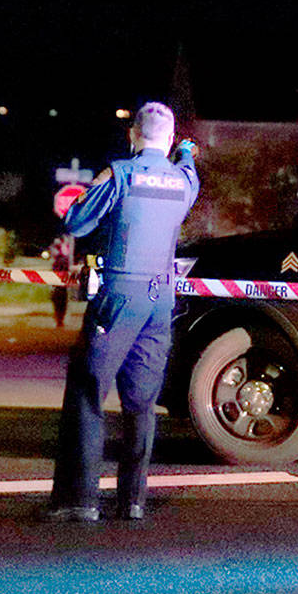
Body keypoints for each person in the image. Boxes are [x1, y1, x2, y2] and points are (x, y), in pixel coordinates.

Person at [44, 103, 199, 522]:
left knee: (88, 391)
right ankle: (133, 500)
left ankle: (79, 500)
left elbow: (76, 223)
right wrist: (184, 154)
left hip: (118, 297)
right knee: (142, 402)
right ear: (168, 140)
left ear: (133, 136)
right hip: (161, 300)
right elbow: (189, 172)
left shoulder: (121, 174)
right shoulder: (184, 182)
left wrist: (99, 184)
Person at [48, 233, 75, 328]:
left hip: (64, 276)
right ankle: (58, 318)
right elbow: (54, 255)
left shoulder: (68, 246)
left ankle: (61, 319)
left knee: (63, 298)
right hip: (57, 275)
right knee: (57, 298)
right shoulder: (56, 246)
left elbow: (69, 257)